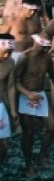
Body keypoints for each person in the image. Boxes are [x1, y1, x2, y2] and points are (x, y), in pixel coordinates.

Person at [14, 33, 54, 177]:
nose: (46, 49)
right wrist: (27, 93)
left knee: (53, 126)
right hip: (25, 95)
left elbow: (53, 76)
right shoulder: (24, 57)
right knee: (28, 132)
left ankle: (41, 157)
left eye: (47, 47)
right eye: (43, 46)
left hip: (40, 95)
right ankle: (29, 164)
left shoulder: (47, 57)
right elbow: (15, 81)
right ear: (36, 42)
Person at [0, 34, 17, 165]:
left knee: (4, 142)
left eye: (10, 53)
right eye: (5, 52)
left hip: (1, 103)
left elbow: (11, 87)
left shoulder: (10, 62)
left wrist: (13, 110)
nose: (6, 56)